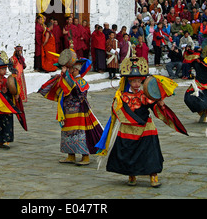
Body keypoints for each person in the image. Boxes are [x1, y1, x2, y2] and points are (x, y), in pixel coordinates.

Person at [96, 56, 188, 187]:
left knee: (150, 152)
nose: (136, 84)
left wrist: (160, 104)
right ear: (128, 81)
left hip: (146, 128)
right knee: (128, 152)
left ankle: (153, 177)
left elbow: (153, 106)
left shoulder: (146, 94)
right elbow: (117, 111)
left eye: (139, 81)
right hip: (128, 129)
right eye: (133, 81)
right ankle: (132, 175)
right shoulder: (121, 97)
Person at [38, 49, 103, 165]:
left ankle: (85, 157)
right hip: (67, 112)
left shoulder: (81, 81)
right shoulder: (67, 79)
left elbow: (76, 90)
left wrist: (66, 75)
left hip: (79, 112)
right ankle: (70, 155)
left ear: (76, 69)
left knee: (80, 134)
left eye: (70, 69)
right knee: (67, 133)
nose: (68, 71)